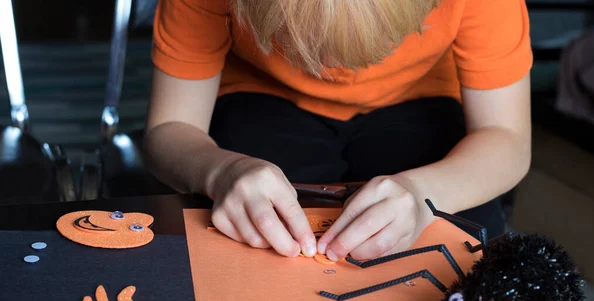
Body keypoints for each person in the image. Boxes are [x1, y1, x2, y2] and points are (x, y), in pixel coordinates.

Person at [145, 0, 532, 262]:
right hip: (262, 97)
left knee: (465, 237)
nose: (334, 71)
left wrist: (424, 194)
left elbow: (507, 139)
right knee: (237, 233)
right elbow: (169, 130)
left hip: (422, 100)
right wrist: (220, 172)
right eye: (295, 41)